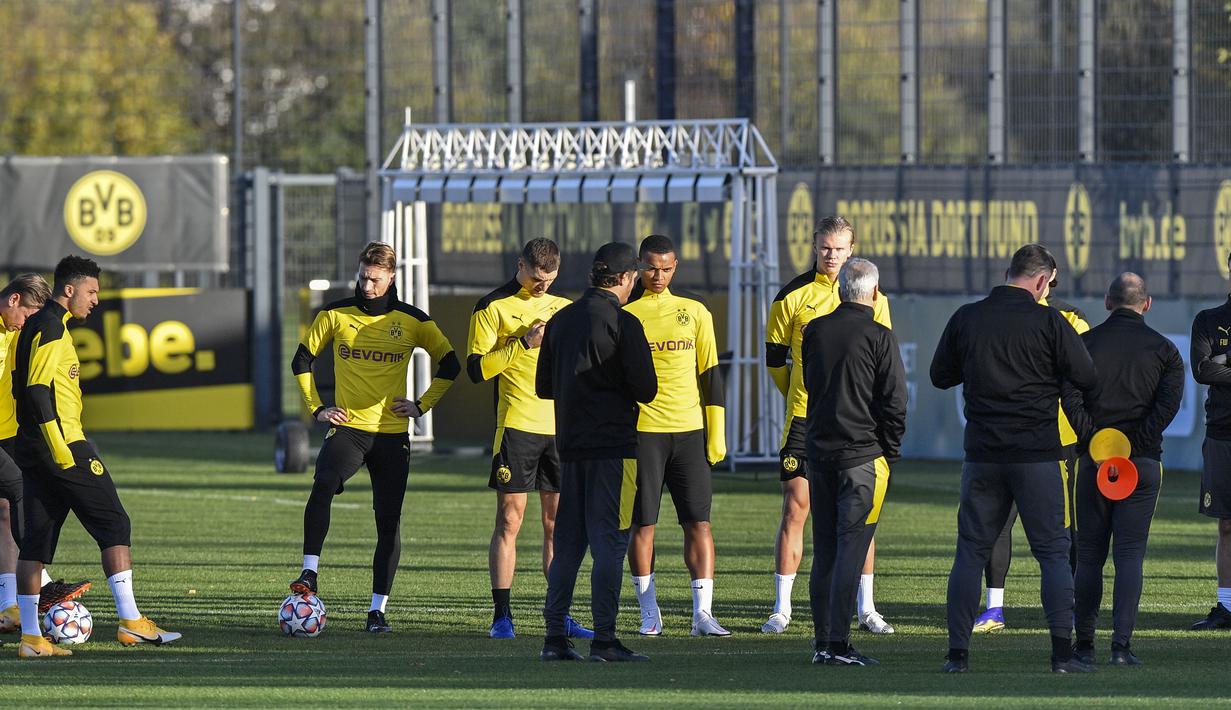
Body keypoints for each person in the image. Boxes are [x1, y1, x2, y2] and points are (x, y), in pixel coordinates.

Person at [929, 244, 1097, 673]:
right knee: (1054, 554)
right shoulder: (1050, 321)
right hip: (1038, 455)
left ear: (1008, 273)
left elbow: (939, 375)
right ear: (1043, 281)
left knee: (969, 552)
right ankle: (1062, 657)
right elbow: (1087, 376)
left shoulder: (967, 317)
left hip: (983, 454)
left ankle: (956, 657)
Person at [12, 255, 181, 658]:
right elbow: (37, 391)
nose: (95, 300)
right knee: (115, 522)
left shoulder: (39, 326)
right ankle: (131, 622)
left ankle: (32, 638)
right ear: (68, 290)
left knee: (34, 543)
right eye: (91, 292)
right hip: (63, 445)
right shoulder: (51, 326)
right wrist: (60, 448)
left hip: (31, 448)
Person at [288, 241, 459, 633]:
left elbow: (450, 363)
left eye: (375, 280)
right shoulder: (334, 314)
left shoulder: (412, 320)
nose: (367, 286)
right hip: (348, 428)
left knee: (389, 521)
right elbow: (301, 359)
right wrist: (318, 408)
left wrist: (421, 405)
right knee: (323, 483)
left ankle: (377, 610)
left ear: (392, 277)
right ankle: (309, 573)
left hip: (392, 435)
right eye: (363, 277)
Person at [763, 216, 893, 635]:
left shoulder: (875, 298)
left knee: (861, 516)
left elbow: (882, 361)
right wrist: (801, 399)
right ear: (814, 246)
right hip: (806, 420)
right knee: (796, 509)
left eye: (839, 248)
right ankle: (782, 608)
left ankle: (866, 607)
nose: (831, 254)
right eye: (824, 247)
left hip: (857, 424)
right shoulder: (792, 297)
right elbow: (775, 361)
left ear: (851, 249)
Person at [537, 242, 657, 663]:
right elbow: (647, 389)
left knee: (568, 543)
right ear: (625, 278)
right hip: (614, 448)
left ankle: (555, 637)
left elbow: (543, 387)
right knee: (610, 543)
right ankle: (604, 639)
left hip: (569, 447)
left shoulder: (561, 320)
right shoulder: (624, 324)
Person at [466, 238, 591, 640]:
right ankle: (502, 615)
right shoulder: (492, 307)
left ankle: (559, 615)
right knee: (509, 520)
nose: (543, 287)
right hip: (517, 428)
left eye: (550, 279)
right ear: (520, 265)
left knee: (559, 524)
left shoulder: (565, 308)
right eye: (538, 279)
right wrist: (521, 343)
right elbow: (476, 371)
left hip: (560, 430)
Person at [1060, 273, 1184, 665]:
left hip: (1093, 465)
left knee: (1090, 555)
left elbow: (1069, 396)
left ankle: (1083, 646)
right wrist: (1132, 448)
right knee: (1130, 555)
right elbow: (1166, 409)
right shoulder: (1164, 350)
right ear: (1146, 304)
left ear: (1107, 302)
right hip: (1142, 464)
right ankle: (1121, 647)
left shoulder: (1084, 343)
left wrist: (1099, 443)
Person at [802, 258, 907, 667]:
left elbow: (810, 383)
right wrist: (890, 450)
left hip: (820, 453)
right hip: (862, 458)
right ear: (875, 293)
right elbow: (896, 401)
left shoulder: (815, 330)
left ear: (841, 290)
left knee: (825, 548)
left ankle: (822, 643)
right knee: (851, 548)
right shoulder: (880, 336)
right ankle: (838, 644)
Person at [623, 235, 729, 637]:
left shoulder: (695, 312)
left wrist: (715, 433)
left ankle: (703, 613)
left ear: (676, 265)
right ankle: (649, 611)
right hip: (644, 434)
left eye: (667, 268)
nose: (659, 275)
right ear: (638, 267)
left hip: (689, 433)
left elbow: (710, 376)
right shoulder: (628, 314)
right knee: (643, 525)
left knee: (699, 523)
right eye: (651, 268)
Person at [972, 284, 1090, 633]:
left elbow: (1082, 373)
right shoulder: (997, 314)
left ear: (1048, 278)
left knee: (1065, 528)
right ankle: (994, 609)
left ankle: (1068, 608)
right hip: (1007, 436)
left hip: (1058, 440)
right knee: (997, 523)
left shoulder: (1070, 317)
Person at [0, 275, 92, 636]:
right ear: (14, 300)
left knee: (7, 512)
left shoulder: (20, 334)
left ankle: (10, 605)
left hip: (9, 437)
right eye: (28, 314)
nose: (30, 323)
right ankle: (45, 583)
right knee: (23, 490)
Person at [1189, 252, 1231, 631]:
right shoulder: (1209, 320)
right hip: (1222, 434)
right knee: (1227, 524)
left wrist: (1226, 361)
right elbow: (1203, 370)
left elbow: (1217, 367)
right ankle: (1227, 606)